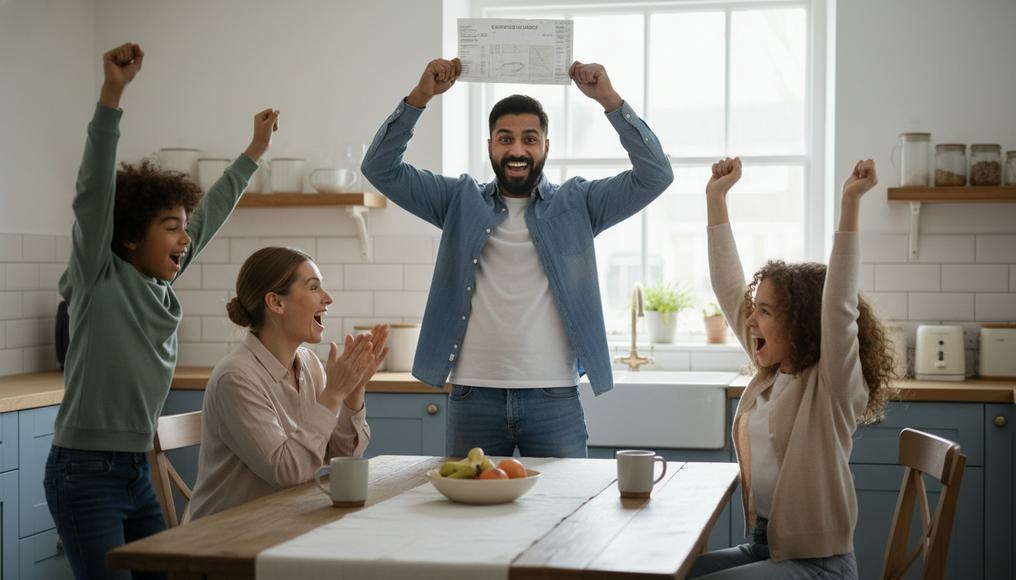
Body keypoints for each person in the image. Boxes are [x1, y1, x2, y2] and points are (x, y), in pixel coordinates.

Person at [44, 42, 278, 580]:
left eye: (182, 226)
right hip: (84, 471)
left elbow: (212, 212)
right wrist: (112, 93)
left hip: (135, 470)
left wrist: (254, 151)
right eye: (170, 227)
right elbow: (92, 192)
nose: (184, 237)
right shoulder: (100, 277)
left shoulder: (159, 286)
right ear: (127, 238)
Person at [360, 58, 673, 458]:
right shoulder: (459, 200)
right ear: (489, 146)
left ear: (546, 146)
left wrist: (609, 100)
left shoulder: (578, 203)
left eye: (530, 138)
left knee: (566, 513)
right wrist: (421, 97)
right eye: (505, 138)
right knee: (470, 513)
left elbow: (656, 175)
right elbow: (380, 168)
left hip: (553, 396)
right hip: (474, 395)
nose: (517, 149)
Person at [686, 158, 895, 579]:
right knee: (673, 573)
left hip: (819, 564)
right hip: (765, 547)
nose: (750, 320)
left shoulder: (833, 386)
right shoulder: (771, 371)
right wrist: (715, 199)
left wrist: (850, 205)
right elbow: (729, 289)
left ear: (800, 322)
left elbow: (838, 309)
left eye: (764, 311)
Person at [189, 247, 387, 519]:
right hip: (229, 535)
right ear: (276, 303)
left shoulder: (309, 364)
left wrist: (352, 392)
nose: (327, 298)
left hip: (287, 521)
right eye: (314, 287)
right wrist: (333, 394)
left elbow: (339, 460)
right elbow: (287, 472)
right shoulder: (235, 378)